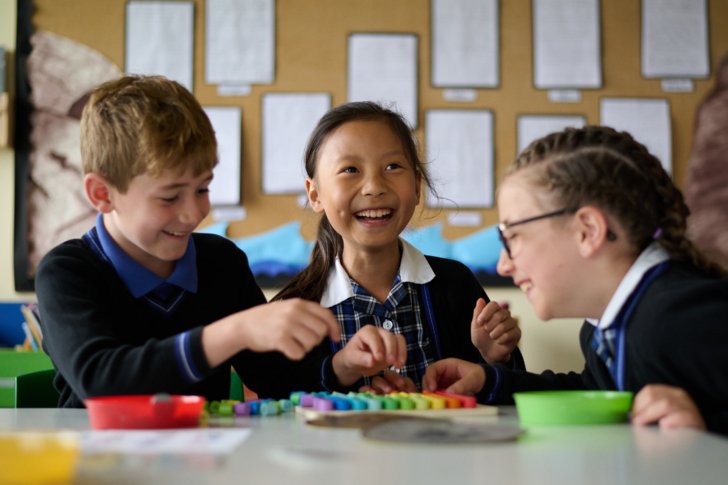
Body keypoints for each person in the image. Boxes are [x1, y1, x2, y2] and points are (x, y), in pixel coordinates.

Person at [35, 75, 340, 408]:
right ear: (102, 194)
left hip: (202, 455)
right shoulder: (67, 272)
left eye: (202, 189)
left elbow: (271, 377)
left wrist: (342, 367)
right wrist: (232, 332)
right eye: (169, 197)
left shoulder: (221, 262)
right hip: (101, 457)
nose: (194, 213)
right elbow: (101, 381)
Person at [423, 125, 728, 434]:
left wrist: (707, 429)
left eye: (512, 237)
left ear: (588, 231)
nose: (503, 265)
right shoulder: (605, 327)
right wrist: (488, 380)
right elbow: (593, 394)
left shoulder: (684, 316)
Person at [268, 101, 524, 395]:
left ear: (416, 186)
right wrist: (341, 370)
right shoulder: (294, 309)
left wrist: (496, 357)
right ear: (315, 195)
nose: (374, 187)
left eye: (392, 167)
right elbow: (277, 400)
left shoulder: (456, 285)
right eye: (350, 169)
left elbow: (506, 394)